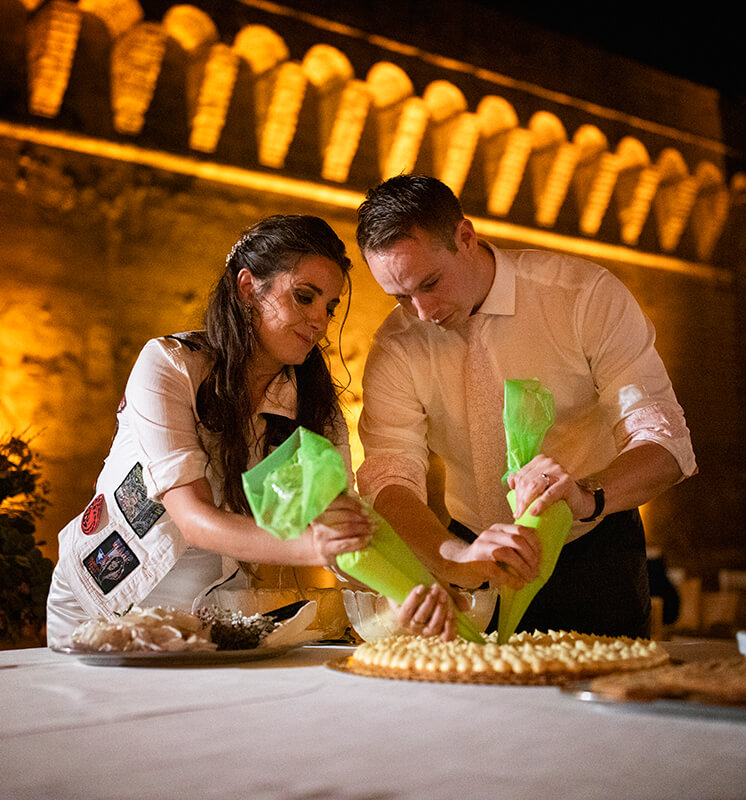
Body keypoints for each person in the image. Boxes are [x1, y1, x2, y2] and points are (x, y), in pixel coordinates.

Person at [355, 175, 697, 639]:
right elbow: (388, 476)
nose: (421, 312)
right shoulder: (397, 346)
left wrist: (585, 496)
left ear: (465, 237)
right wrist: (451, 556)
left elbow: (663, 441)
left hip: (594, 547)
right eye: (400, 297)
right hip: (473, 554)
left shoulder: (583, 296)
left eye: (430, 283)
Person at [46, 215, 377, 645]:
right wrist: (314, 546)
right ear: (247, 288)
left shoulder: (315, 405)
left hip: (214, 612)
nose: (319, 321)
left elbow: (340, 529)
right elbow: (194, 521)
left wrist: (412, 590)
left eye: (329, 307)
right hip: (104, 600)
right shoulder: (170, 364)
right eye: (303, 297)